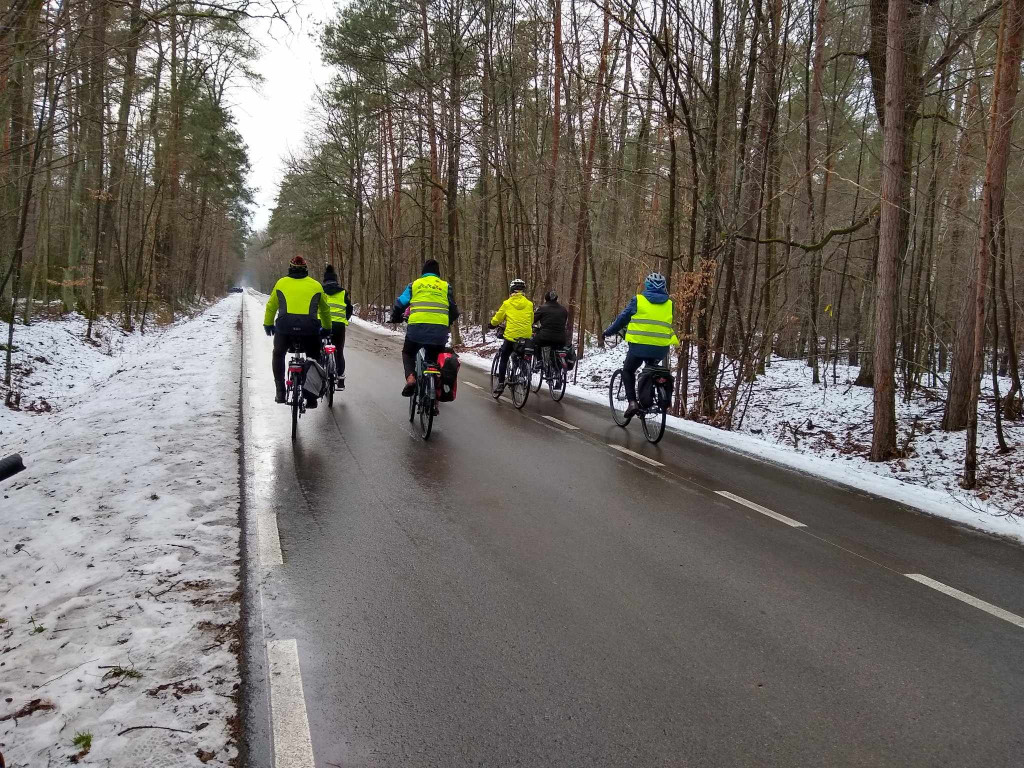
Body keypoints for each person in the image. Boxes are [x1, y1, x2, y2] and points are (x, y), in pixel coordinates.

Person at [602, 272, 678, 419]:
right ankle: (647, 400)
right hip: (660, 349)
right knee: (650, 371)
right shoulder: (670, 304)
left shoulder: (638, 300)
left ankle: (632, 402)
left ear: (647, 285)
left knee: (628, 370)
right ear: (664, 287)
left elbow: (622, 320)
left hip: (638, 348)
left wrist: (608, 332)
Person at [264, 255, 333, 406]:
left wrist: (268, 324)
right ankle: (311, 397)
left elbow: (271, 306)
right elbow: (325, 310)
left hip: (284, 328)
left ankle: (280, 392)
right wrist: (327, 328)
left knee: (278, 354)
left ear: (290, 268)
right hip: (310, 329)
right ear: (306, 269)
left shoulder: (281, 283)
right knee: (313, 358)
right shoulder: (315, 285)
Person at [391, 259, 460, 396]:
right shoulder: (446, 287)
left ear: (423, 272)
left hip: (416, 329)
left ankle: (411, 378)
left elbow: (400, 303)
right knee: (434, 359)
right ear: (438, 273)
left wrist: (395, 316)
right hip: (439, 332)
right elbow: (454, 311)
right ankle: (435, 392)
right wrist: (446, 322)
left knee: (408, 353)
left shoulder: (415, 285)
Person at [488, 278, 535, 395]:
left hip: (511, 336)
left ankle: (500, 383)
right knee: (521, 354)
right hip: (525, 336)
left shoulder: (507, 303)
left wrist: (492, 324)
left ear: (511, 290)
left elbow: (498, 318)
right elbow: (531, 320)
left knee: (504, 357)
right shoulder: (529, 304)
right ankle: (521, 375)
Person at [322, 264, 352, 389]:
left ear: (324, 280)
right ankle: (340, 380)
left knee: (320, 350)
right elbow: (349, 309)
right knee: (339, 352)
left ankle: (320, 379)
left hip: (323, 325)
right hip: (339, 326)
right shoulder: (343, 292)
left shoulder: (320, 291)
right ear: (336, 280)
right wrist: (344, 318)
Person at [531, 290, 568, 370]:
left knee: (534, 342)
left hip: (545, 337)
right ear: (556, 298)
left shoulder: (543, 308)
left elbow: (532, 320)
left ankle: (540, 360)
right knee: (558, 349)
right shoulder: (563, 309)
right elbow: (564, 322)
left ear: (546, 298)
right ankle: (558, 373)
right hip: (561, 338)